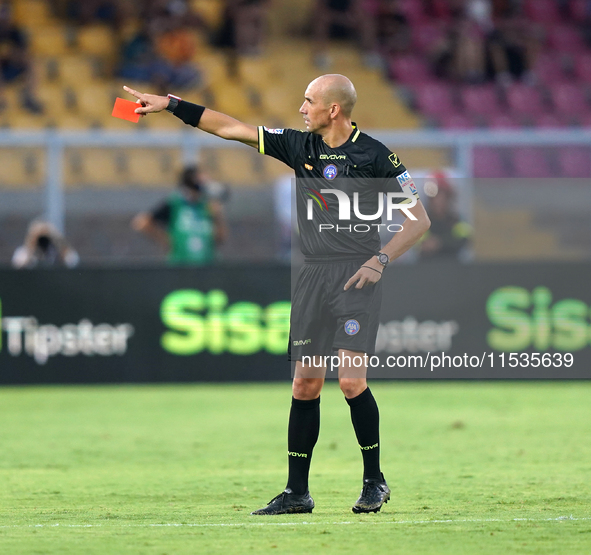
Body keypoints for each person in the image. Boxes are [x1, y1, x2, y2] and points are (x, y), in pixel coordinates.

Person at [123, 73, 430, 514]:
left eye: (308, 101)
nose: (302, 109)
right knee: (305, 385)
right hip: (311, 278)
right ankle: (297, 493)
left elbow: (418, 220)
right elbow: (231, 128)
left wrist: (379, 260)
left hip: (356, 278)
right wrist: (172, 105)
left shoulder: (377, 156)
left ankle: (373, 480)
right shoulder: (300, 146)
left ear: (334, 110)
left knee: (349, 381)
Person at [131, 165, 227, 265]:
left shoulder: (207, 206)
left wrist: (218, 216)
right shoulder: (175, 203)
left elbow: (220, 239)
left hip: (206, 264)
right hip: (180, 265)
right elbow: (142, 223)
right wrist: (166, 241)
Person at [12, 220, 79, 269]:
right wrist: (32, 245)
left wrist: (59, 243)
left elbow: (73, 263)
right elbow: (17, 267)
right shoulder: (23, 252)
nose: (42, 241)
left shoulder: (58, 251)